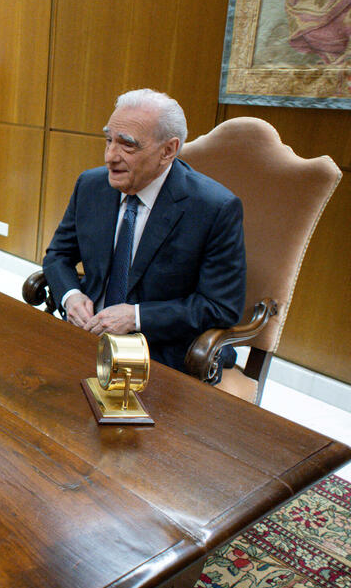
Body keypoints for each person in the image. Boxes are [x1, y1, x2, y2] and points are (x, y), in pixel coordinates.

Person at [42, 88, 245, 375]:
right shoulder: (91, 185)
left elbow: (220, 306)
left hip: (159, 350)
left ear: (168, 150)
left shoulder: (213, 208)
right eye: (108, 140)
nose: (110, 157)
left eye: (127, 146)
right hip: (84, 334)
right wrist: (71, 296)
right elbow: (58, 255)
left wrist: (137, 317)